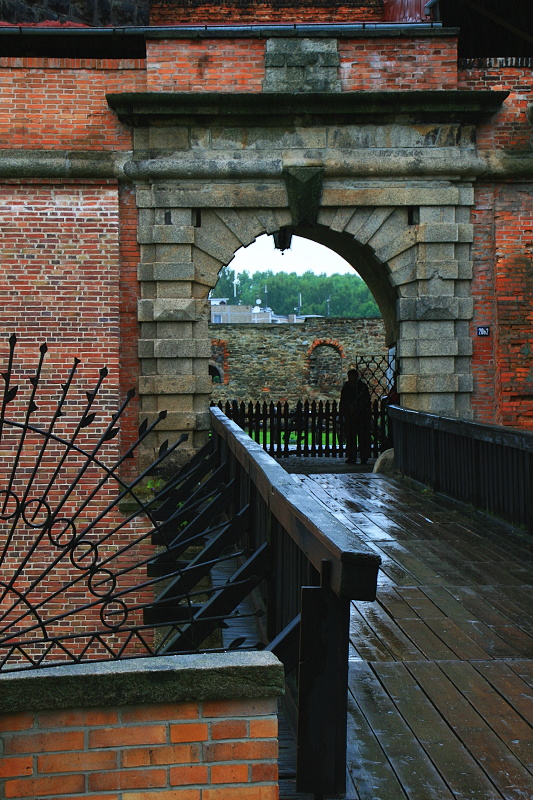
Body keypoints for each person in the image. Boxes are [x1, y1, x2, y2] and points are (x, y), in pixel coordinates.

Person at [340, 368, 372, 464]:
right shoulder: (347, 387)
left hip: (361, 416)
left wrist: (359, 407)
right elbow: (343, 400)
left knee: (363, 437)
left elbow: (366, 401)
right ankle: (351, 455)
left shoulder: (362, 387)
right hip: (350, 416)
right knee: (350, 437)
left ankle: (364, 456)